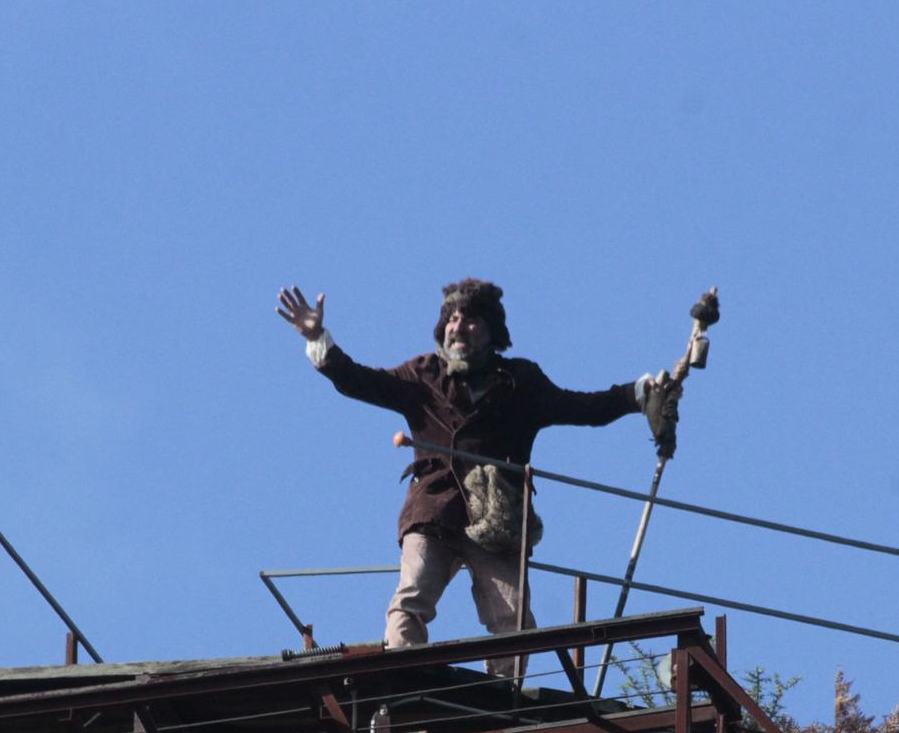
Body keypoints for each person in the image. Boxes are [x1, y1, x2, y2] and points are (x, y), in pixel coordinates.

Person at [277, 278, 671, 672]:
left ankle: (506, 696)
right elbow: (357, 380)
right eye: (452, 318)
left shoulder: (520, 382)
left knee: (513, 619)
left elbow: (585, 408)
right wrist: (318, 338)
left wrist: (637, 394)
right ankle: (401, 679)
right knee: (410, 599)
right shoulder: (423, 375)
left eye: (470, 320)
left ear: (491, 331)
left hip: (496, 519)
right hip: (433, 511)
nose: (458, 327)